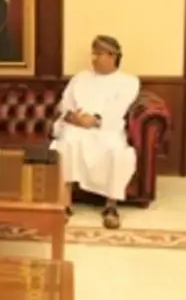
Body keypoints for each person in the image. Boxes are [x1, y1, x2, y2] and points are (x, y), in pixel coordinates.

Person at [50, 35, 140, 229]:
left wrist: (95, 120)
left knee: (116, 150)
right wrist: (73, 117)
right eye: (93, 54)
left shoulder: (128, 81)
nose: (93, 58)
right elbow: (65, 104)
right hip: (76, 126)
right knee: (66, 143)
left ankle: (111, 207)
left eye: (98, 54)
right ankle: (64, 205)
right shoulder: (80, 77)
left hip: (106, 128)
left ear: (112, 56)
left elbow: (118, 109)